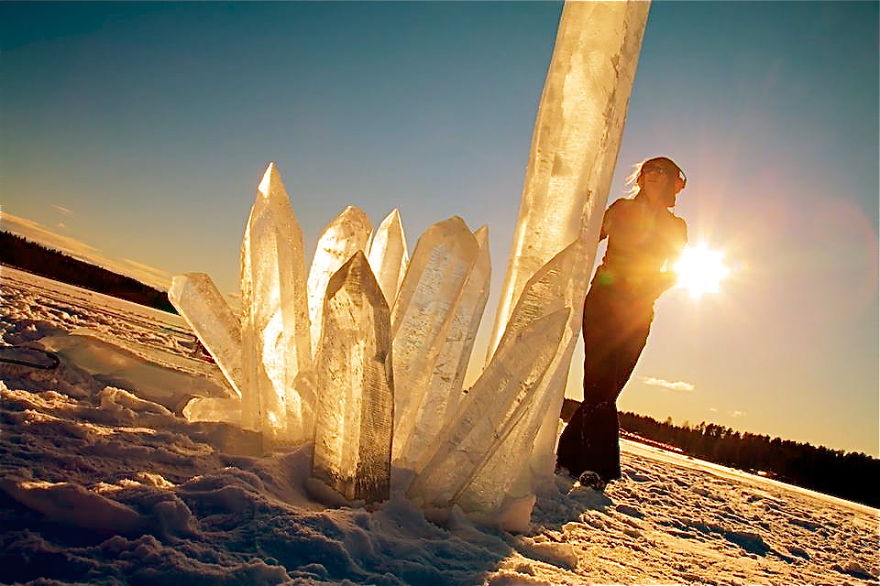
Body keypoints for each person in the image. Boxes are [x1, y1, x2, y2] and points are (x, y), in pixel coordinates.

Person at [556, 156, 688, 489]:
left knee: (609, 387)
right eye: (649, 170)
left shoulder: (677, 227)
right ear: (641, 178)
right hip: (604, 298)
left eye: (663, 171)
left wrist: (652, 289)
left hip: (639, 309)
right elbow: (583, 242)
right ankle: (598, 469)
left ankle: (567, 458)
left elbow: (677, 270)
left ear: (675, 182)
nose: (654, 174)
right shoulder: (620, 209)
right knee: (599, 381)